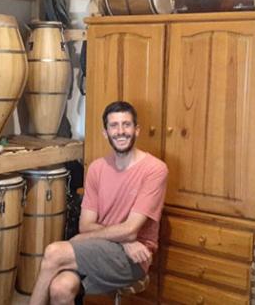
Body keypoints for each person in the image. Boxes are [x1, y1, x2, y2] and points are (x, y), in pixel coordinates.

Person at [29, 101, 169, 305]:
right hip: (110, 247)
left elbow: (131, 229)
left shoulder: (155, 170)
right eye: (114, 126)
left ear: (136, 130)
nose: (120, 131)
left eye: (126, 124)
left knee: (54, 252)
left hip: (134, 258)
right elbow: (85, 225)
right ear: (105, 132)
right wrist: (123, 239)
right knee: (61, 288)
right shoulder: (97, 168)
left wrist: (124, 237)